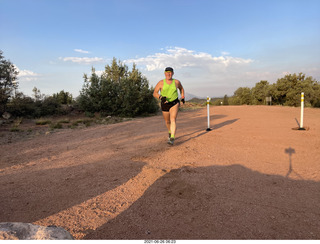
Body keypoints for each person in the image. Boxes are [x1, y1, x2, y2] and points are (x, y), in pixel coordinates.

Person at [153, 67, 185, 145]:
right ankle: (170, 132)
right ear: (164, 73)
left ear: (173, 73)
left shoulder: (176, 82)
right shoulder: (161, 83)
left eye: (170, 72)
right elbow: (155, 93)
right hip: (164, 104)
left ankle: (172, 137)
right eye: (167, 72)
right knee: (167, 121)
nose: (168, 74)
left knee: (173, 119)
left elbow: (181, 89)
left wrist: (183, 97)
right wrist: (161, 97)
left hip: (174, 103)